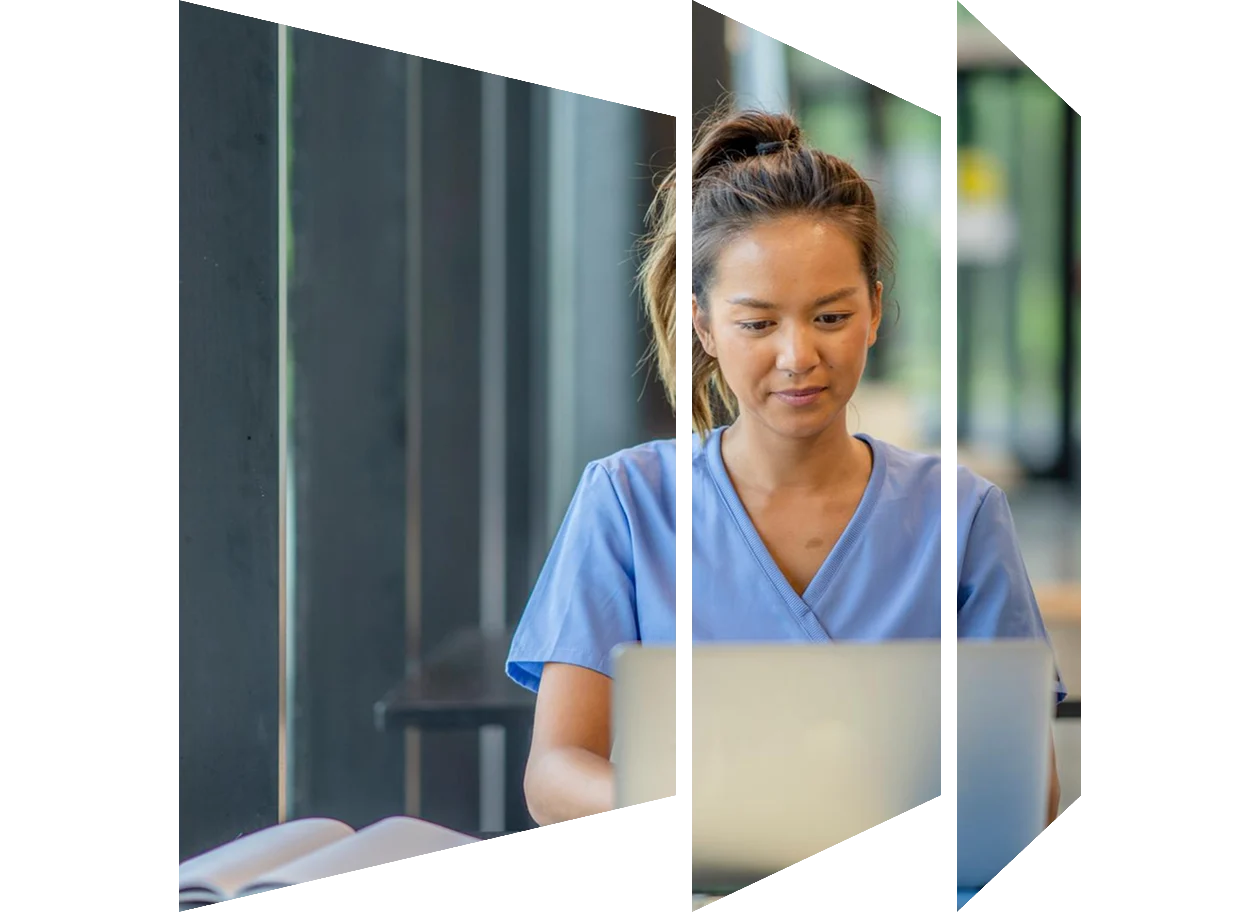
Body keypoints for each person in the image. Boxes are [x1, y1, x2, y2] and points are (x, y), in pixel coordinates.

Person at [504, 106, 1065, 829]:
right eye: (758, 323)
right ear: (703, 323)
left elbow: (1023, 790)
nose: (798, 356)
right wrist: (702, 811)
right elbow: (553, 776)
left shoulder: (962, 515)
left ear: (874, 311)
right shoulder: (626, 503)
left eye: (829, 317)